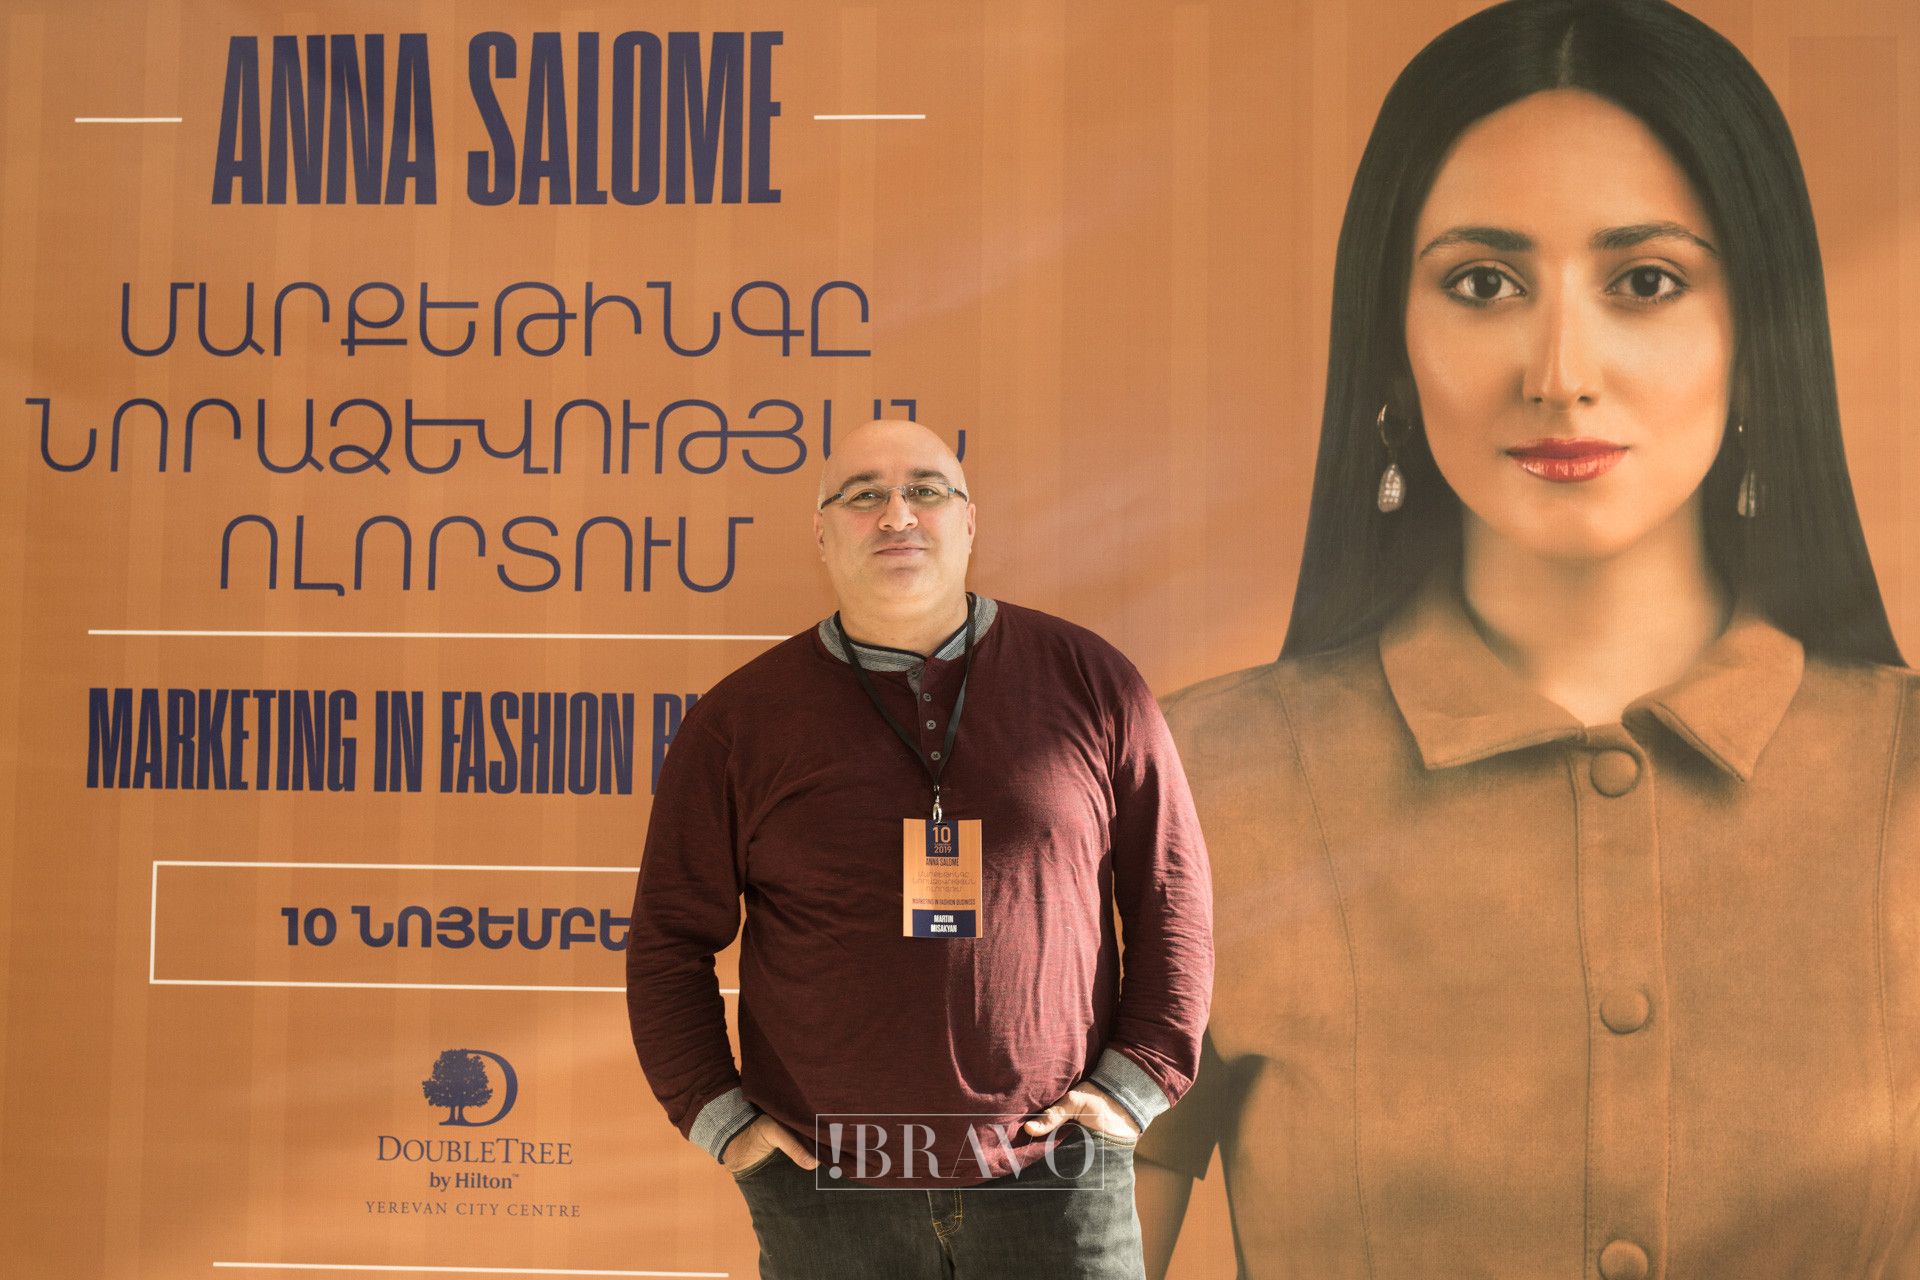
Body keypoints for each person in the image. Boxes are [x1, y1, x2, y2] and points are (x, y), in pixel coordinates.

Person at [1133, 1, 1920, 1277]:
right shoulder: (1194, 785)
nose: (1559, 371)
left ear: (1755, 333)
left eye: (1645, 282)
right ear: (1393, 342)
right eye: (1483, 284)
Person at [626, 418, 1213, 1279]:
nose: (897, 514)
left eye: (926, 491)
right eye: (863, 495)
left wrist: (1137, 1085)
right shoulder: (739, 723)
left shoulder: (1092, 683)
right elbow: (667, 941)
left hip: (1057, 1175)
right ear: (821, 535)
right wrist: (724, 1123)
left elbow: (1171, 896)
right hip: (828, 1192)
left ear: (969, 523)